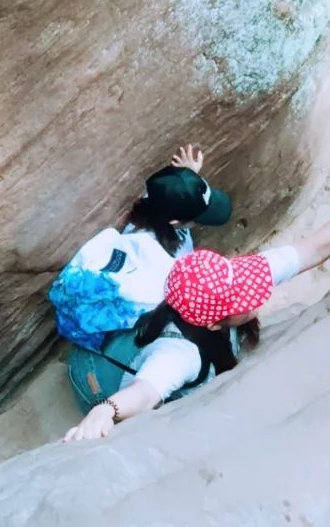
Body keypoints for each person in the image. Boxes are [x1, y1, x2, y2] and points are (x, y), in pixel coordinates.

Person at [64, 158, 330, 441]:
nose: (256, 296)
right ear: (213, 322)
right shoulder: (179, 354)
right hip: (96, 383)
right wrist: (104, 411)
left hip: (122, 355)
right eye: (242, 299)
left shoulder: (217, 281)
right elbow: (145, 391)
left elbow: (312, 248)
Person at [61, 145, 232, 411]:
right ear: (175, 222)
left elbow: (167, 192)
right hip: (97, 383)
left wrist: (187, 176)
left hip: (94, 349)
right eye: (196, 217)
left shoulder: (149, 210)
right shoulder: (161, 274)